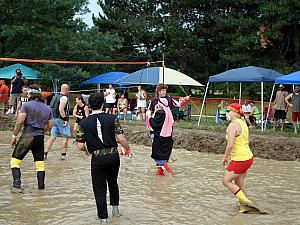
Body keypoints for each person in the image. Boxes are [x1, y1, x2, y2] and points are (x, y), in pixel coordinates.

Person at [76, 92, 132, 224]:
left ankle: (103, 220)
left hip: (97, 158)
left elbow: (79, 145)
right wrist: (128, 149)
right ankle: (116, 210)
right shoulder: (112, 118)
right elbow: (120, 138)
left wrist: (87, 150)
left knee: (99, 189)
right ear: (103, 104)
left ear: (89, 105)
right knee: (113, 182)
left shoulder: (83, 123)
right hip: (113, 156)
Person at [10, 84, 53, 192]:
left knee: (15, 161)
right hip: (40, 137)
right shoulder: (47, 108)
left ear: (31, 94)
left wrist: (14, 136)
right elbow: (50, 126)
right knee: (39, 163)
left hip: (27, 136)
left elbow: (19, 122)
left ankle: (16, 186)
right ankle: (41, 187)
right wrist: (42, 130)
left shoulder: (26, 106)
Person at [221, 103, 254, 209]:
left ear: (235, 112)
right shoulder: (243, 122)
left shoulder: (232, 125)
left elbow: (230, 145)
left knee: (226, 181)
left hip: (240, 159)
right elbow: (246, 140)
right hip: (248, 157)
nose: (226, 113)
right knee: (239, 183)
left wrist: (224, 158)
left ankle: (248, 203)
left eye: (228, 111)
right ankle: (243, 205)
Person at [45, 84, 71, 160]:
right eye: (68, 89)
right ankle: (63, 155)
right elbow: (61, 109)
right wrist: (65, 119)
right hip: (61, 119)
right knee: (65, 137)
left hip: (53, 119)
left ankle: (45, 153)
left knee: (52, 137)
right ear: (66, 89)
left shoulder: (55, 96)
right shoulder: (64, 98)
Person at [149, 98, 174, 176]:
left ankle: (164, 165)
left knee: (157, 155)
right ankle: (160, 172)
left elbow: (154, 124)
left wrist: (153, 113)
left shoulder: (160, 113)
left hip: (160, 137)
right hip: (168, 138)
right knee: (164, 155)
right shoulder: (169, 112)